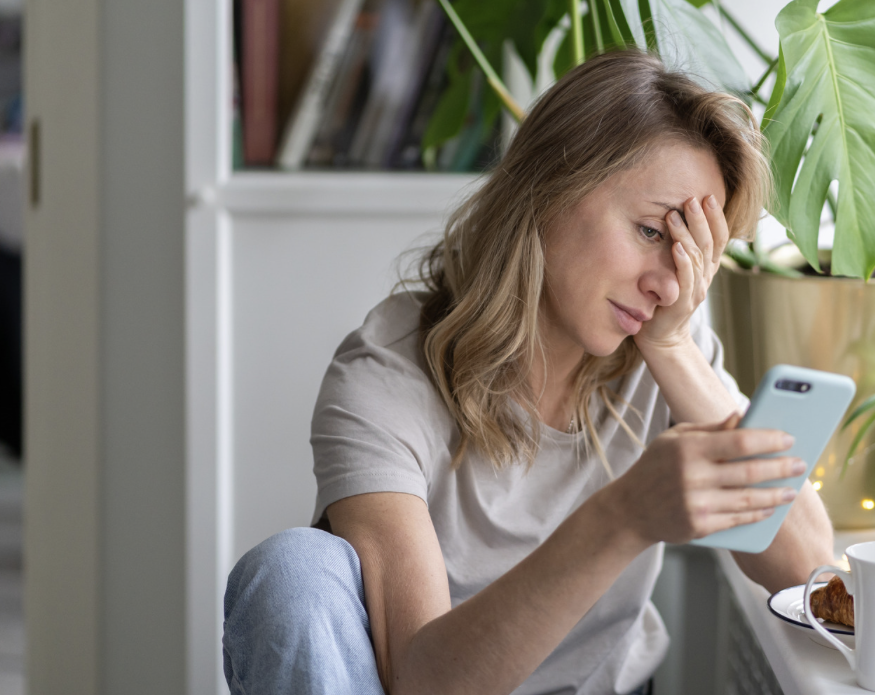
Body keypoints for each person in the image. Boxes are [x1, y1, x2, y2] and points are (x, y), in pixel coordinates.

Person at [222, 49, 834, 695]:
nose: (665, 283)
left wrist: (677, 348)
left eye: (692, 252)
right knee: (290, 573)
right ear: (550, 187)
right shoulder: (386, 377)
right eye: (653, 232)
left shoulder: (661, 343)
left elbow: (812, 569)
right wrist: (620, 517)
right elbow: (422, 683)